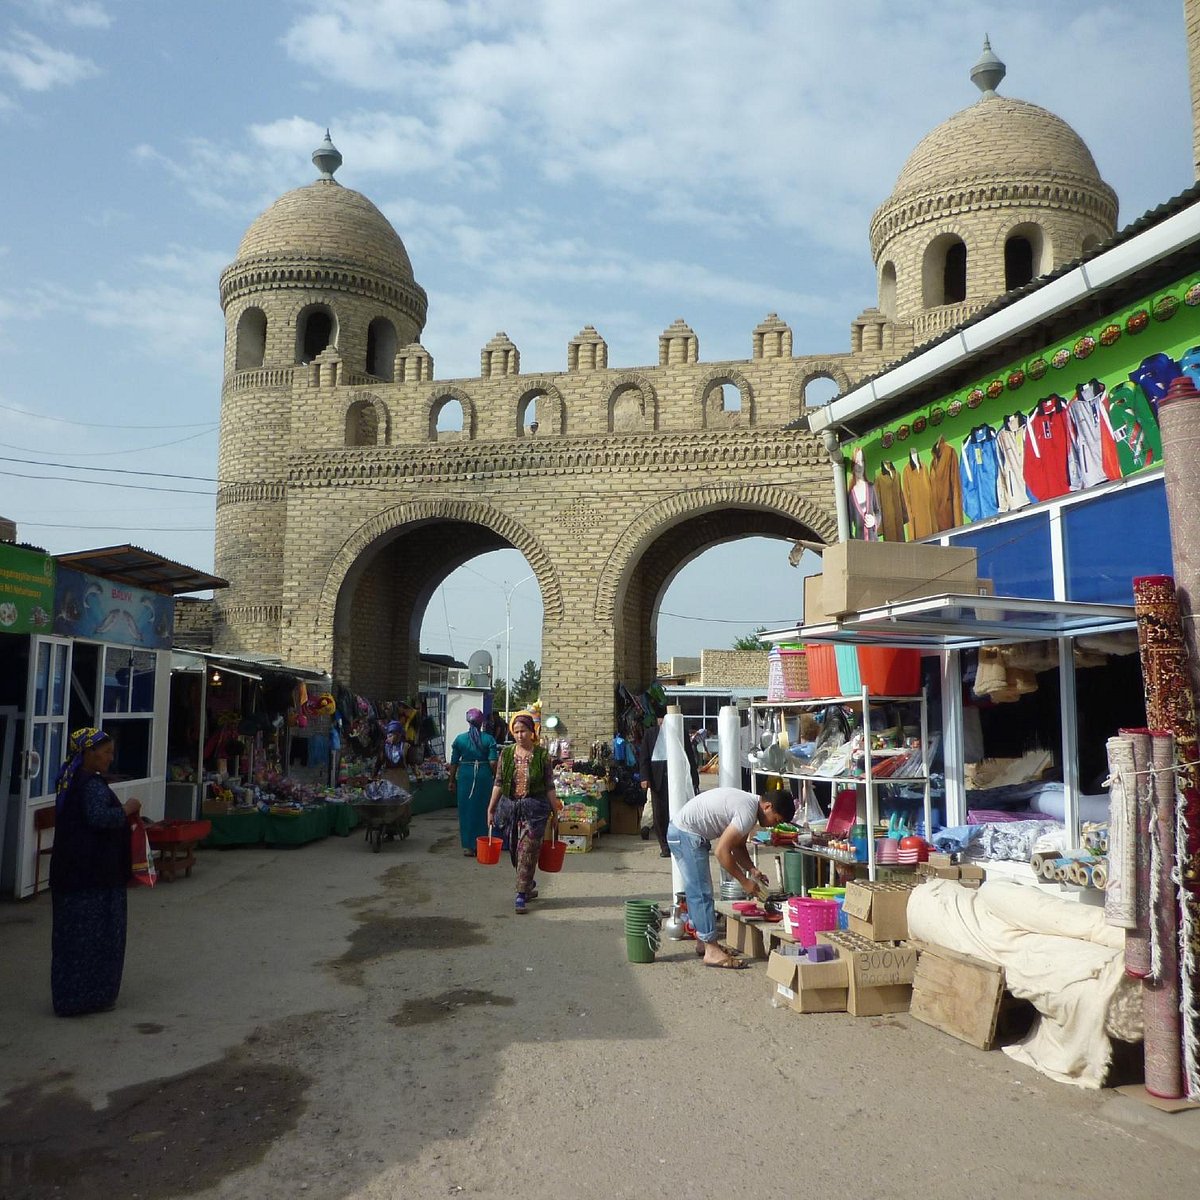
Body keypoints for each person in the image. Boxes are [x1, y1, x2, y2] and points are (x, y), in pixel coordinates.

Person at [48, 727, 141, 1016]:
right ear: (88, 753)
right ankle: (87, 997)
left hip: (75, 872)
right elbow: (100, 818)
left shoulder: (70, 780)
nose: (110, 758)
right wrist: (127, 808)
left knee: (72, 938)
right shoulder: (88, 784)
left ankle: (73, 996)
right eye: (106, 752)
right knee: (94, 936)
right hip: (92, 875)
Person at [666, 786, 795, 970]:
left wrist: (752, 869)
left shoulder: (749, 806)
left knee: (697, 890)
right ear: (767, 807)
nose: (774, 825)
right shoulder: (747, 812)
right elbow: (722, 851)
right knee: (701, 892)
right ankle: (711, 950)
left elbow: (738, 847)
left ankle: (705, 943)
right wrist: (744, 882)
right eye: (776, 820)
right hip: (686, 834)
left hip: (681, 832)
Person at [486, 711, 562, 914]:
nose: (520, 735)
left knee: (527, 851)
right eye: (516, 731)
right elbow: (499, 782)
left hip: (535, 810)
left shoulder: (542, 756)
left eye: (524, 731)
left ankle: (520, 895)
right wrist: (491, 808)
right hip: (511, 808)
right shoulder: (507, 754)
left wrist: (556, 813)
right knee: (514, 851)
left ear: (532, 732)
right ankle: (527, 885)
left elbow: (549, 786)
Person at [638, 704, 699, 857]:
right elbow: (644, 758)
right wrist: (644, 778)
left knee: (679, 811)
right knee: (659, 813)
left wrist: (694, 778)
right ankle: (664, 846)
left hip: (677, 779)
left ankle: (680, 842)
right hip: (657, 781)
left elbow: (689, 757)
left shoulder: (680, 733)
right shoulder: (650, 734)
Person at [448, 707, 498, 856]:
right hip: (483, 775)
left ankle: (468, 846)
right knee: (484, 809)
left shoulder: (460, 739)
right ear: (481, 722)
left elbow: (454, 762)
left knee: (466, 810)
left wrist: (451, 780)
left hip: (465, 775)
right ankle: (481, 844)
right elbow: (493, 762)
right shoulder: (488, 739)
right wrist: (496, 778)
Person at [375, 719, 410, 792]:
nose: (388, 738)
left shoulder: (405, 746)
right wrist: (373, 776)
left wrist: (418, 776)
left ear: (398, 735)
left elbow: (411, 762)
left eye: (391, 735)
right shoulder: (384, 748)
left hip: (401, 778)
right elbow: (378, 763)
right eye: (388, 735)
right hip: (389, 777)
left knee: (402, 799)